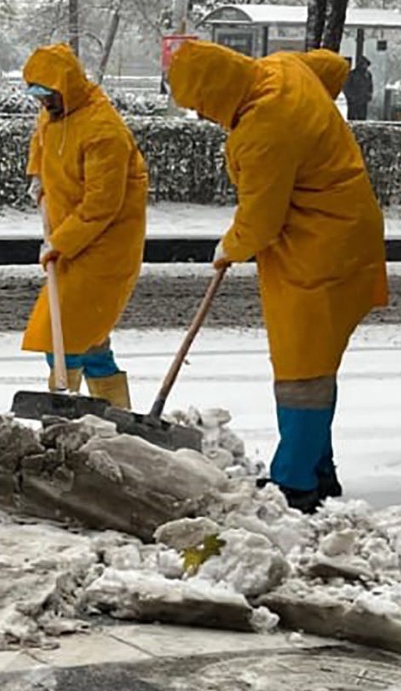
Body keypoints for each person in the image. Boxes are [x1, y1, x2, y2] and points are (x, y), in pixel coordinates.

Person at [165, 38, 389, 511]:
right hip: (346, 229)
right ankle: (318, 468)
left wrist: (230, 246)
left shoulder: (263, 127)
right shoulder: (281, 67)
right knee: (317, 362)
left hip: (317, 247)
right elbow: (331, 66)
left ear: (216, 92)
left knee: (301, 368)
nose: (203, 117)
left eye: (201, 106)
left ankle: (296, 483)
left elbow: (261, 222)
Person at [20, 42, 150, 405]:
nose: (43, 104)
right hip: (72, 239)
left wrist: (61, 242)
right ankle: (113, 415)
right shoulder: (56, 112)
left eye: (48, 95)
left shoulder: (103, 130)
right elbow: (42, 138)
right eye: (38, 95)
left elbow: (102, 204)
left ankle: (66, 410)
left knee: (66, 337)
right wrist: (37, 175)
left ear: (68, 85)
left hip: (105, 247)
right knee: (90, 340)